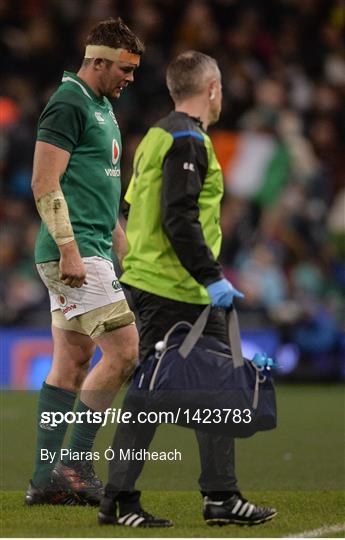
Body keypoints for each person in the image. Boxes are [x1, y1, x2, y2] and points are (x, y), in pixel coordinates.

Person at [98, 51, 277, 527]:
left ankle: (220, 497)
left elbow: (135, 206)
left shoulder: (158, 136)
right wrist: (212, 277)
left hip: (169, 286)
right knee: (151, 393)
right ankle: (119, 499)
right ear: (213, 88)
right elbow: (179, 218)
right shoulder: (187, 139)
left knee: (214, 392)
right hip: (174, 289)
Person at [25, 18, 144, 506]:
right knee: (124, 352)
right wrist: (71, 248)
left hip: (95, 244)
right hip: (73, 252)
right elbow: (44, 182)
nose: (130, 78)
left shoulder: (102, 106)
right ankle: (74, 464)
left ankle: (44, 479)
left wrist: (118, 236)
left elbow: (97, 182)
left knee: (72, 364)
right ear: (98, 61)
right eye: (125, 68)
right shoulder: (69, 101)